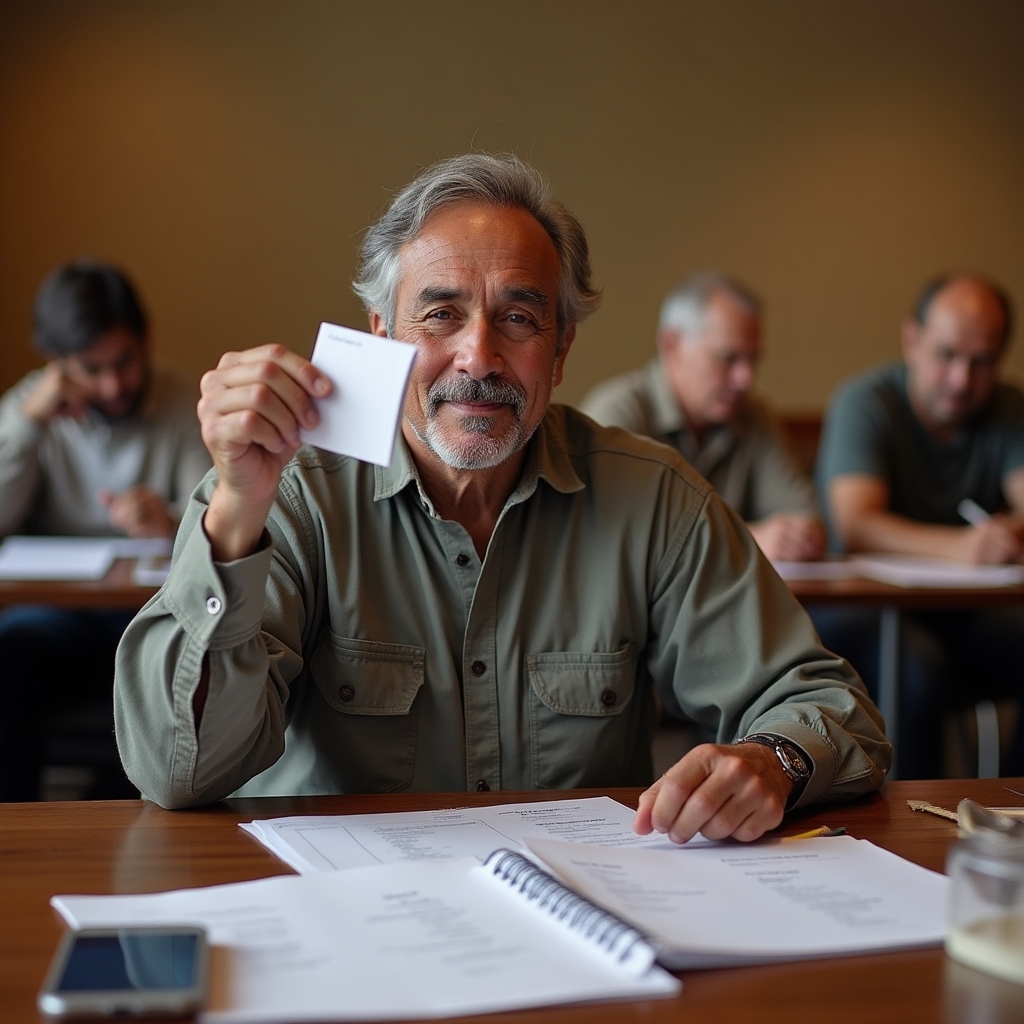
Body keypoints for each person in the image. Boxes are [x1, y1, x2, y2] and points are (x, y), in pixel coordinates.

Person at [115, 154, 889, 842]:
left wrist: (775, 760)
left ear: (560, 348)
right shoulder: (289, 493)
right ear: (382, 334)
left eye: (518, 317)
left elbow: (827, 704)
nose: (478, 355)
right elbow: (175, 771)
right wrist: (238, 510)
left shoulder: (653, 499)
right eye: (440, 314)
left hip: (585, 921)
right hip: (348, 922)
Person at [0, 261, 211, 800]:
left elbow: (212, 520)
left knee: (170, 665)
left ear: (145, 340)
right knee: (9, 651)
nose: (114, 384)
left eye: (125, 362)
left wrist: (166, 519)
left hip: (147, 609)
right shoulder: (30, 408)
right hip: (59, 617)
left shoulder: (186, 398)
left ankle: (137, 829)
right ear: (58, 364)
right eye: (92, 370)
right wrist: (28, 425)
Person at [815, 274, 1024, 778]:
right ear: (912, 340)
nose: (961, 379)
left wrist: (1009, 532)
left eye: (981, 362)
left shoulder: (1009, 409)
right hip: (864, 609)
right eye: (947, 355)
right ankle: (916, 828)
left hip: (963, 613)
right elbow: (857, 523)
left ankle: (1011, 818)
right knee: (917, 669)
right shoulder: (865, 402)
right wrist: (963, 547)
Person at [579, 274, 824, 562]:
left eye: (752, 359)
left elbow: (806, 517)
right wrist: (745, 540)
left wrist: (800, 537)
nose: (745, 378)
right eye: (728, 358)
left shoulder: (755, 417)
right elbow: (611, 533)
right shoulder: (617, 413)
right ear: (672, 345)